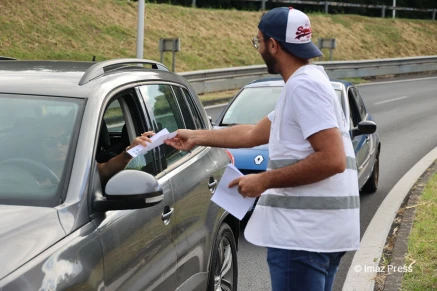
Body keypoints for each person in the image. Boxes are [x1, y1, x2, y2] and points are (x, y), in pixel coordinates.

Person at [165, 7, 359, 291]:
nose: (258, 49)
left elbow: (332, 160)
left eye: (258, 42)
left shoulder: (303, 87)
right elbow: (253, 133)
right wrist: (196, 136)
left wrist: (262, 180)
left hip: (302, 237)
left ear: (273, 45)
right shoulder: (310, 82)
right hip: (321, 234)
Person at [39, 114, 154, 186]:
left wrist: (128, 153)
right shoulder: (25, 171)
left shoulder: (82, 168)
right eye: (50, 141)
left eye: (64, 139)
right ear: (39, 146)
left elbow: (107, 169)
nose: (58, 145)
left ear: (72, 141)